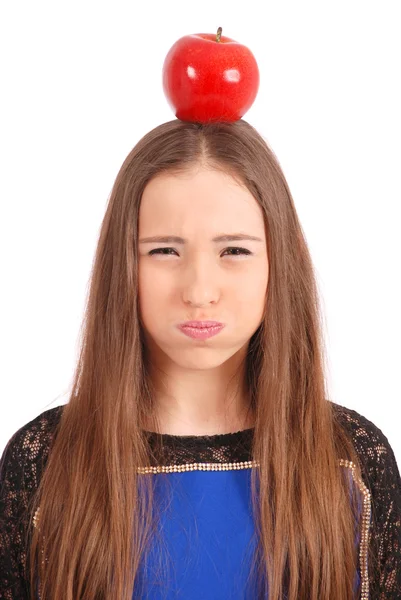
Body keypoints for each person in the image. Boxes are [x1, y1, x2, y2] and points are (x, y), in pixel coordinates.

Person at [1, 118, 400, 600]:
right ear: (123, 265)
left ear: (280, 262)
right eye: (165, 250)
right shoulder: (43, 464)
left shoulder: (352, 460)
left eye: (234, 250)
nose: (199, 291)